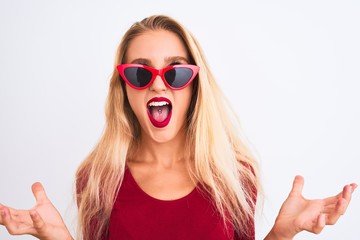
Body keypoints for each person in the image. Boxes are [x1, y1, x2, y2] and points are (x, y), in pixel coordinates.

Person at [0, 15, 357, 240]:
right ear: (123, 88)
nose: (158, 85)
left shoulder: (234, 175)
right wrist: (55, 235)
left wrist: (281, 234)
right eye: (141, 73)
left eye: (176, 72)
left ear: (194, 86)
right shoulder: (98, 179)